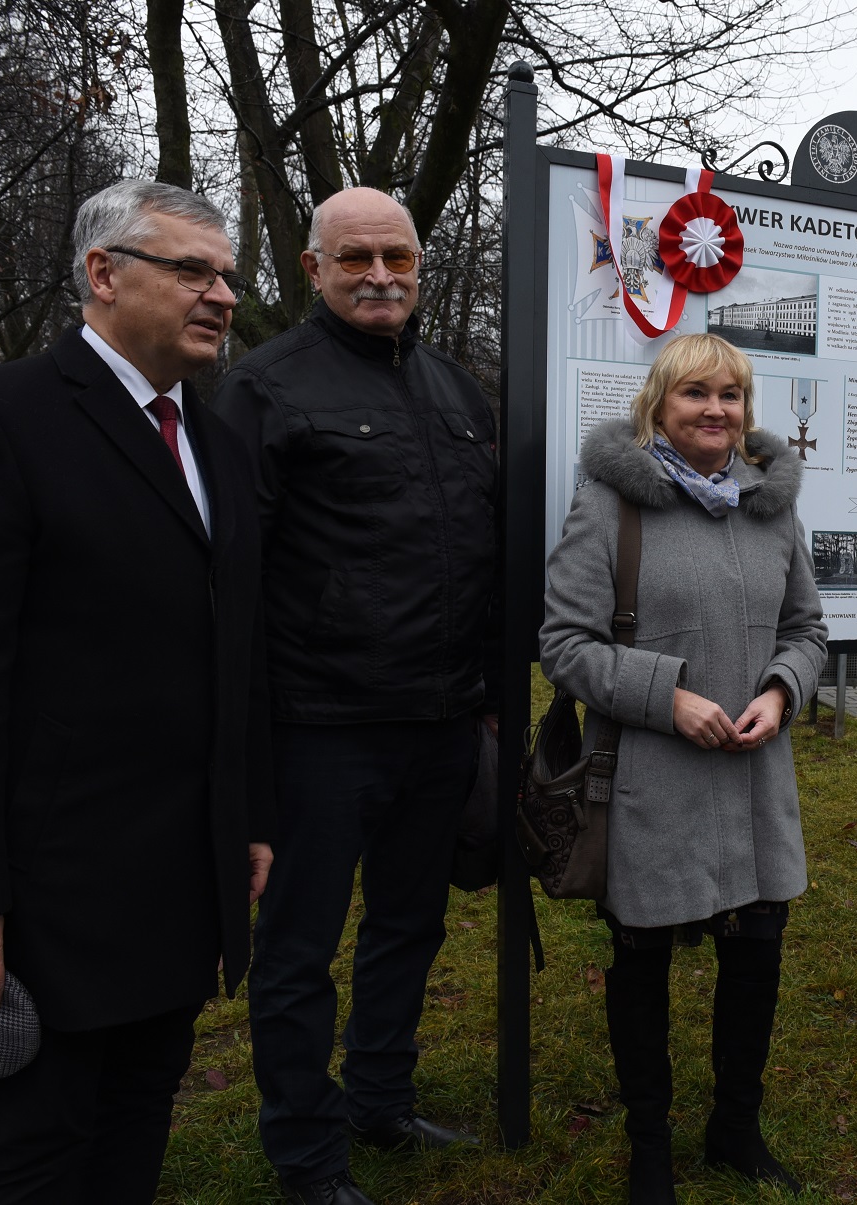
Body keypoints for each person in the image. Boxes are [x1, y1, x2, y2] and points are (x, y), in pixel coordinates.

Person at [0, 179, 271, 1202]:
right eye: (191, 270)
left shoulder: (218, 445)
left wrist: (248, 822)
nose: (222, 295)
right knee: (41, 1147)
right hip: (49, 895)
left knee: (139, 1118)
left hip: (182, 882)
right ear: (103, 274)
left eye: (226, 275)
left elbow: (231, 653)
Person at [212, 187, 499, 1205]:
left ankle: (380, 1098)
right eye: (357, 257)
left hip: (439, 722)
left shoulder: (457, 391)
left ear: (421, 264)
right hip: (318, 727)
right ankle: (306, 1154)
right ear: (312, 267)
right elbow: (230, 576)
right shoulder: (263, 388)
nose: (380, 274)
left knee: (407, 925)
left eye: (398, 257)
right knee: (296, 951)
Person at [540, 332, 828, 1204]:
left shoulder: (771, 507)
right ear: (658, 406)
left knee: (756, 962)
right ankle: (650, 1147)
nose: (715, 411)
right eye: (695, 394)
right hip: (651, 782)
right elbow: (562, 644)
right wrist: (668, 698)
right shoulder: (611, 506)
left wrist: (780, 693)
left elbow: (806, 629)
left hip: (754, 779)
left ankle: (734, 1128)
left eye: (731, 396)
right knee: (645, 970)